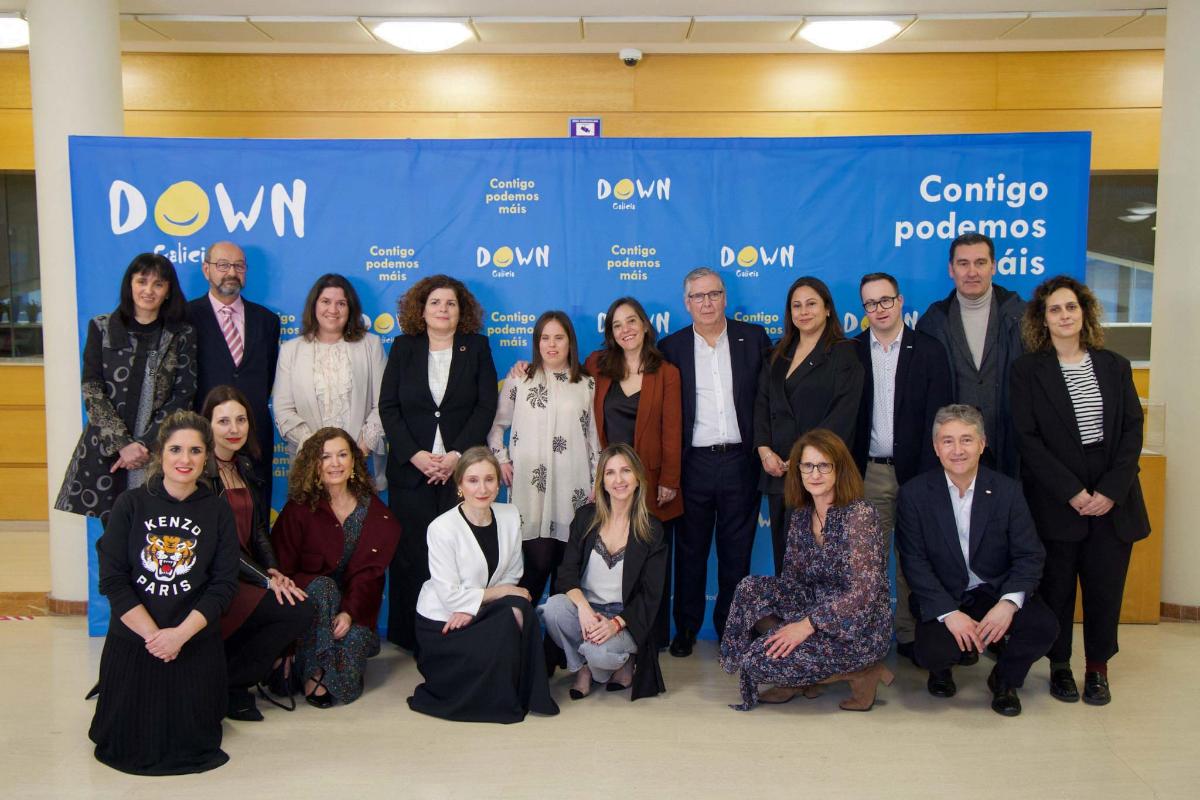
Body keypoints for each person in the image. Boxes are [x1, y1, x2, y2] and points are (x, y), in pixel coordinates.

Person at [1010, 276, 1150, 706]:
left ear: (1085, 312)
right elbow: (1027, 439)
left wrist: (1110, 491)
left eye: (1071, 307)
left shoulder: (1115, 365)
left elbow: (1132, 430)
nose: (1064, 315)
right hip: (1057, 499)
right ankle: (1060, 666)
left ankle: (1097, 669)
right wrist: (1071, 491)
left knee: (1105, 590)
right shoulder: (1027, 371)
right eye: (1055, 309)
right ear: (1042, 319)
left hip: (1113, 499)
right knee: (1057, 589)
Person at [89, 410, 239, 775]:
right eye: (175, 449)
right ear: (161, 453)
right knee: (130, 738)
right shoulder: (130, 504)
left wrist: (179, 636)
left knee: (191, 737)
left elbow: (223, 585)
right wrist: (155, 638)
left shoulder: (218, 510)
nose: (185, 459)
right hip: (137, 637)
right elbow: (113, 581)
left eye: (195, 450)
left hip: (192, 638)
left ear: (206, 456)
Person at [896, 404, 1059, 717]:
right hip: (947, 593)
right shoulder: (914, 494)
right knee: (931, 652)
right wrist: (948, 613)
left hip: (994, 589)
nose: (957, 450)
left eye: (967, 440)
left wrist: (1008, 604)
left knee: (1043, 628)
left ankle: (1005, 679)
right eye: (948, 441)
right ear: (936, 447)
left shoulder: (1008, 491)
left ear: (982, 444)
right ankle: (942, 669)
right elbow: (914, 562)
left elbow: (1029, 555)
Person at [720, 429, 892, 712]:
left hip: (858, 629)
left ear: (839, 469)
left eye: (824, 466)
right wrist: (793, 625)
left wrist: (806, 626)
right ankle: (796, 668)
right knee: (750, 588)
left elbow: (864, 594)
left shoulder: (859, 514)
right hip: (813, 611)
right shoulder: (801, 514)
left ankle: (862, 670)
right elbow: (792, 583)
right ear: (798, 470)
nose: (815, 474)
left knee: (757, 663)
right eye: (808, 466)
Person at [378, 274, 498, 650]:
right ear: (421, 309)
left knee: (457, 555)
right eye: (435, 302)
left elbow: (485, 406)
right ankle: (411, 636)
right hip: (411, 472)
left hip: (460, 475)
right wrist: (414, 455)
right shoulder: (403, 347)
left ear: (462, 311)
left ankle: (455, 633)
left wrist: (456, 456)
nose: (443, 309)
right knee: (411, 554)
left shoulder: (476, 347)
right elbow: (388, 407)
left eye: (450, 303)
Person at [658, 268, 771, 656]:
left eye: (713, 294)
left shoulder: (753, 339)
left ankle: (731, 630)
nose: (706, 303)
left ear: (725, 297)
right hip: (693, 465)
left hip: (741, 460)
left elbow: (768, 399)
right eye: (698, 296)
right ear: (686, 303)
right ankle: (686, 629)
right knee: (690, 552)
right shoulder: (670, 347)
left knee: (736, 554)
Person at [408, 447, 559, 723]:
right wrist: (492, 597)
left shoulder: (509, 515)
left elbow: (512, 573)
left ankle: (520, 691)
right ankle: (485, 694)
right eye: (473, 480)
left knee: (520, 609)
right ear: (460, 485)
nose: (482, 488)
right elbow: (450, 595)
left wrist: (478, 604)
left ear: (498, 484)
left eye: (489, 479)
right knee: (510, 608)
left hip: (476, 608)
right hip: (444, 619)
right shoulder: (441, 528)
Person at [852, 272, 952, 661]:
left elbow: (939, 418)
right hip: (869, 472)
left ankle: (910, 634)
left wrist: (930, 474)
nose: (879, 309)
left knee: (914, 559)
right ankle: (870, 636)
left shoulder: (929, 350)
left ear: (900, 301)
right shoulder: (851, 352)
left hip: (919, 473)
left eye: (885, 300)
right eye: (870, 303)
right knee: (868, 561)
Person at [56, 252, 196, 523]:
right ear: (129, 284)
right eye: (142, 281)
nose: (148, 291)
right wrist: (123, 445)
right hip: (109, 447)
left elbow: (184, 393)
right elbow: (92, 389)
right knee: (114, 533)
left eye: (158, 284)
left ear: (168, 291)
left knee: (157, 528)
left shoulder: (181, 334)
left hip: (159, 448)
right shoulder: (102, 328)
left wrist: (144, 444)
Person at [201, 385, 312, 721]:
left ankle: (234, 682)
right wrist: (266, 580)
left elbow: (259, 530)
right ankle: (229, 685)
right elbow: (219, 546)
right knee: (293, 609)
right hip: (219, 577)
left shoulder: (245, 466)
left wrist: (274, 570)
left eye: (241, 419)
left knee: (300, 608)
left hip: (250, 573)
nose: (234, 429)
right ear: (207, 425)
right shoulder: (201, 473)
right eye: (223, 421)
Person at [271, 427, 401, 707]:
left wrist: (349, 613)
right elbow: (282, 575)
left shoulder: (374, 512)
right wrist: (284, 644)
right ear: (315, 463)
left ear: (354, 460)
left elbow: (371, 576)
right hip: (307, 610)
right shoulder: (298, 510)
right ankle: (314, 672)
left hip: (352, 611)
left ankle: (313, 667)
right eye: (325, 456)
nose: (335, 463)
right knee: (323, 586)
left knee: (349, 668)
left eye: (342, 455)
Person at [584, 297, 682, 646]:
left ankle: (651, 639)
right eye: (617, 325)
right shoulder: (597, 365)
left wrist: (670, 479)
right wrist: (526, 367)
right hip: (612, 482)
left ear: (644, 325)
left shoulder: (666, 372)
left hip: (651, 482)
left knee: (650, 563)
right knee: (614, 559)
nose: (625, 330)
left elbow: (672, 430)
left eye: (631, 321)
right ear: (610, 333)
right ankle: (607, 631)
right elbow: (562, 375)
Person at [488, 310, 600, 601]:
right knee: (533, 570)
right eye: (545, 338)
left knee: (566, 577)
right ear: (536, 342)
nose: (552, 344)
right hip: (529, 491)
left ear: (570, 342)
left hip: (572, 491)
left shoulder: (587, 384)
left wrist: (597, 481)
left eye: (559, 337)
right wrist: (501, 459)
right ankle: (519, 627)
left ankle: (558, 632)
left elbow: (593, 439)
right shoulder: (519, 379)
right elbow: (496, 425)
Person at [543, 444, 669, 701]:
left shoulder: (652, 530)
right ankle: (583, 667)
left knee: (599, 652)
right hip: (588, 611)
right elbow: (566, 573)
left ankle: (617, 659)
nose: (618, 480)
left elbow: (650, 595)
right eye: (610, 473)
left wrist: (615, 624)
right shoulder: (585, 517)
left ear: (638, 478)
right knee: (553, 609)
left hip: (626, 619)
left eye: (626, 471)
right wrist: (584, 609)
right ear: (602, 481)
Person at [756, 276, 863, 574]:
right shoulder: (777, 354)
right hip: (779, 473)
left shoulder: (844, 352)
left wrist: (806, 458)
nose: (804, 311)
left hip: (821, 474)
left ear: (827, 309)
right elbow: (761, 405)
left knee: (822, 562)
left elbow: (844, 412)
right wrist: (764, 450)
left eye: (811, 304)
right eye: (797, 306)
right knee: (786, 560)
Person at [916, 233, 1026, 478]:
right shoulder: (932, 323)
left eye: (980, 262)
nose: (972, 272)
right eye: (963, 263)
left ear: (993, 266)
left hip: (1011, 448)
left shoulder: (1022, 317)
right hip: (955, 455)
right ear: (951, 269)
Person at [187, 241, 280, 510]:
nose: (231, 272)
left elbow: (268, 378)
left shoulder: (267, 320)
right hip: (204, 438)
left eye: (239, 266)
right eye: (223, 265)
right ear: (206, 269)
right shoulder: (185, 317)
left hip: (255, 436)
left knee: (257, 512)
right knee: (206, 513)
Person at [272, 274, 386, 472]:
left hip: (359, 461)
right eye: (325, 302)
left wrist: (358, 451)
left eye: (341, 303)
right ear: (314, 305)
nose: (333, 310)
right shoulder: (291, 350)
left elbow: (383, 404)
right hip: (308, 464)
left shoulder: (371, 345)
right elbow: (283, 409)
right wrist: (318, 452)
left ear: (350, 308)